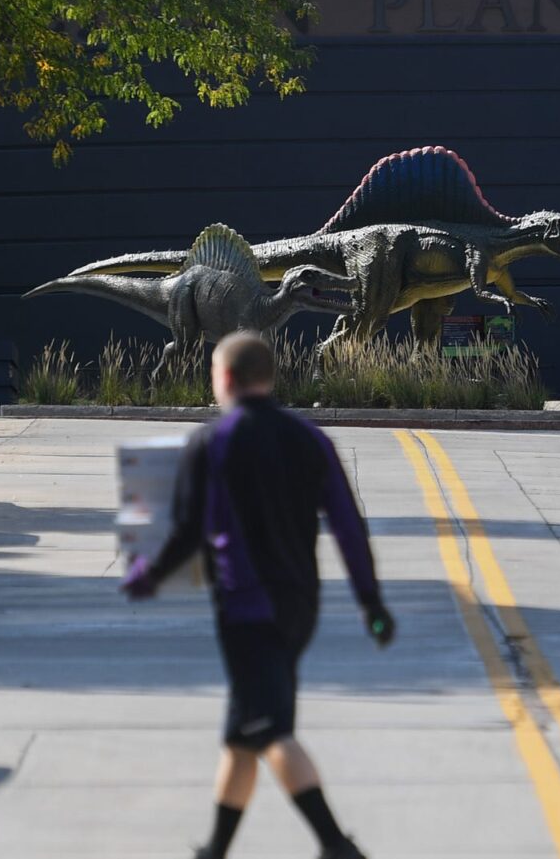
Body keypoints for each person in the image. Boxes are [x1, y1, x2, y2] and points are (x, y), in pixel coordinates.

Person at [125, 330, 395, 859]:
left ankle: (337, 846)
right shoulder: (312, 439)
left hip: (249, 609)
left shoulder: (213, 441)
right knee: (244, 733)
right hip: (300, 607)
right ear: (269, 377)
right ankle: (215, 851)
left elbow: (187, 533)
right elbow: (348, 527)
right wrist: (371, 603)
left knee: (268, 731)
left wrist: (148, 576)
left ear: (223, 378)